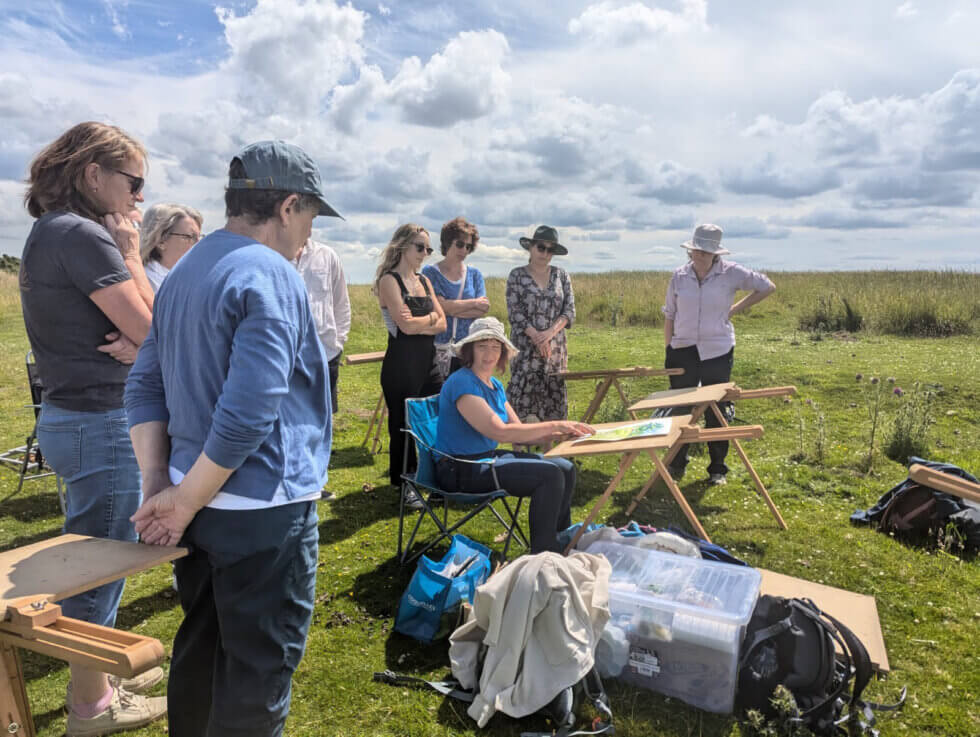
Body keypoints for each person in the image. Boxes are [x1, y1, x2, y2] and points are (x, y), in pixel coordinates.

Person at [125, 140, 340, 737]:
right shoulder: (272, 273)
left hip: (191, 502)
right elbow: (249, 413)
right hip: (262, 509)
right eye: (311, 218)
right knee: (256, 675)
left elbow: (144, 386)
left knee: (201, 645)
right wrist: (180, 499)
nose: (308, 235)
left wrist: (162, 487)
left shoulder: (184, 271)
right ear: (288, 205)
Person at [19, 121, 165, 735]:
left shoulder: (51, 231)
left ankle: (101, 676)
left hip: (72, 417)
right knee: (96, 569)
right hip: (101, 422)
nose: (139, 197)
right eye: (134, 182)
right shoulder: (82, 235)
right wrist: (132, 254)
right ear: (93, 175)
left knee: (93, 556)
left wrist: (144, 345)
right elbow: (156, 332)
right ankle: (92, 707)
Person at [434, 317, 593, 553]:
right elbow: (499, 431)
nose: (489, 354)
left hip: (485, 458)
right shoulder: (461, 383)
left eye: (496, 347)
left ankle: (561, 537)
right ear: (469, 350)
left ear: (503, 353)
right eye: (482, 346)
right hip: (459, 468)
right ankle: (544, 549)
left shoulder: (495, 385)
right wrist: (556, 424)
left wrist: (562, 435)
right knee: (550, 475)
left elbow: (520, 433)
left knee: (565, 468)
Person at [662, 223, 776, 485]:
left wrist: (735, 309)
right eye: (695, 250)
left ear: (716, 254)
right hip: (682, 349)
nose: (699, 255)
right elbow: (669, 314)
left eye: (705, 251)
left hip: (717, 349)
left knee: (717, 408)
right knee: (681, 408)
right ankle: (677, 462)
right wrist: (669, 349)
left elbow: (767, 286)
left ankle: (717, 469)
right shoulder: (679, 276)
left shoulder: (731, 273)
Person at [374, 224, 446, 505]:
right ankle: (407, 485)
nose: (424, 254)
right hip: (400, 365)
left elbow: (442, 323)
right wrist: (427, 320)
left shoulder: (424, 281)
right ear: (402, 246)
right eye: (420, 247)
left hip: (428, 363)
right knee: (402, 427)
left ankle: (437, 479)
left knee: (435, 419)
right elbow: (403, 327)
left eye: (428, 249)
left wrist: (422, 322)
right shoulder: (389, 281)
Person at [505, 225, 576, 422]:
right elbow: (514, 311)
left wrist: (549, 334)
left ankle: (552, 450)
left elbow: (569, 310)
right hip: (525, 348)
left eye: (550, 249)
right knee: (524, 398)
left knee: (554, 398)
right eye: (541, 247)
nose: (545, 253)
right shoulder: (516, 275)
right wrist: (536, 336)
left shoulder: (561, 275)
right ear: (531, 247)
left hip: (555, 349)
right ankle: (521, 449)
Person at [422, 217, 489, 379]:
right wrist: (473, 303)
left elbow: (483, 308)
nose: (464, 250)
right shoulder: (430, 272)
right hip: (439, 348)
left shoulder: (474, 274)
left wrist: (450, 308)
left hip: (467, 349)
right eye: (460, 244)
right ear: (447, 242)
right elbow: (441, 307)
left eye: (468, 246)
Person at [293, 237, 351, 413]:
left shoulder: (327, 255)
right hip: (289, 357)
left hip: (325, 354)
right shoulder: (273, 253)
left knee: (323, 419)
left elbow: (341, 303)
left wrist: (338, 343)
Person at [139, 203, 203, 292]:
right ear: (161, 241)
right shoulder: (147, 282)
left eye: (199, 237)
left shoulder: (192, 279)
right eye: (189, 237)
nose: (198, 244)